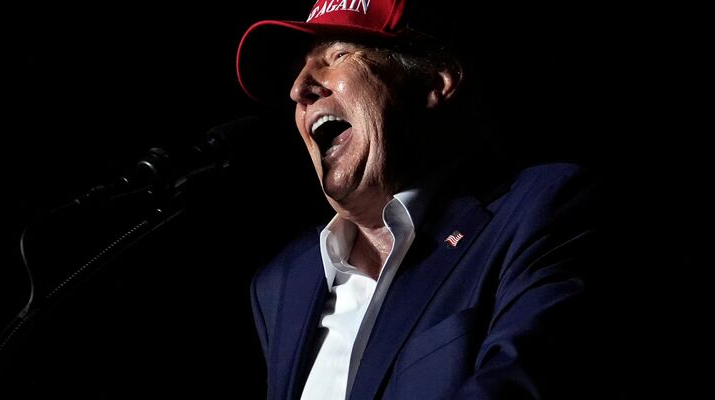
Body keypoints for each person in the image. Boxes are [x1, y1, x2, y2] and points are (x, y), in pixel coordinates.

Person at [236, 0, 598, 399]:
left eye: (338, 55)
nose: (299, 89)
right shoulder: (283, 283)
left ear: (436, 83)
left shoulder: (539, 209)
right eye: (297, 71)